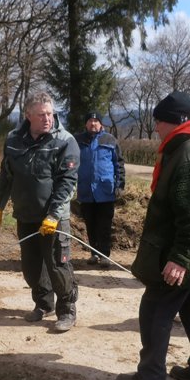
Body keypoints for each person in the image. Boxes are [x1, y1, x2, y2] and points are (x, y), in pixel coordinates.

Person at [116, 91, 190, 380]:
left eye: (159, 122)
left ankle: (151, 376)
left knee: (154, 310)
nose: (155, 128)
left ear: (175, 121)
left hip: (184, 253)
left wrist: (181, 259)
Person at [0, 91, 80, 333]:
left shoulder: (65, 141)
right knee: (31, 268)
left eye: (50, 113)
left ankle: (67, 310)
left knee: (58, 265)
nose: (47, 118)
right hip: (25, 213)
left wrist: (53, 215)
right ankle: (43, 304)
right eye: (41, 115)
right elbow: (6, 175)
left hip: (54, 218)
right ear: (28, 115)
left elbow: (67, 182)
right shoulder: (13, 140)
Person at [75, 111, 125, 266]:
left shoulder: (110, 140)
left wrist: (120, 185)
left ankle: (105, 256)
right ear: (86, 124)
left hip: (105, 191)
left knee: (104, 225)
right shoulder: (78, 140)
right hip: (86, 191)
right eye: (90, 120)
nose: (93, 123)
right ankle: (94, 254)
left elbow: (119, 164)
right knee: (90, 224)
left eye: (96, 121)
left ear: (101, 124)